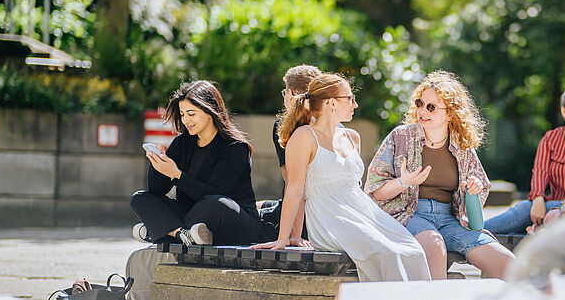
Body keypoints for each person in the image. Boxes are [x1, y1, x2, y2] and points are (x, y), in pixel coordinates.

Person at [250, 73, 430, 282]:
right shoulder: (304, 137)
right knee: (387, 253)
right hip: (329, 217)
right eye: (350, 98)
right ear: (331, 103)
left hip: (362, 212)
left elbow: (356, 187)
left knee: (413, 250)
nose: (355, 104)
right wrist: (285, 238)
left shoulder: (353, 137)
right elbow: (294, 189)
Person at [366, 70, 515, 280]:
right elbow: (375, 193)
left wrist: (474, 186)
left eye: (431, 107)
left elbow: (479, 186)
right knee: (435, 247)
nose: (422, 111)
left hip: (451, 220)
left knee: (506, 262)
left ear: (450, 113)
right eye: (420, 103)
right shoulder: (400, 137)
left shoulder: (462, 146)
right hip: (410, 215)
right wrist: (403, 182)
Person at [131, 81, 275, 246]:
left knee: (214, 203)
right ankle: (180, 234)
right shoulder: (182, 142)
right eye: (183, 114)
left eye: (191, 114)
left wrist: (176, 175)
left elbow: (214, 192)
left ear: (210, 111)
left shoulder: (235, 148)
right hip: (193, 215)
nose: (186, 120)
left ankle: (161, 230)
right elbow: (156, 190)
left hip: (231, 218)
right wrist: (157, 165)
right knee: (140, 198)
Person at [485, 85, 565, 234]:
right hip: (554, 207)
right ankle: (474, 234)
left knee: (523, 210)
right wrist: (538, 199)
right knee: (519, 228)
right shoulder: (551, 138)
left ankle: (474, 230)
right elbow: (539, 173)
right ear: (564, 111)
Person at [258, 64, 322, 230]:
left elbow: (293, 185)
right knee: (260, 204)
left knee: (250, 211)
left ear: (289, 93)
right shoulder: (332, 124)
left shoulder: (284, 126)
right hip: (329, 209)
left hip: (304, 215)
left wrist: (294, 235)